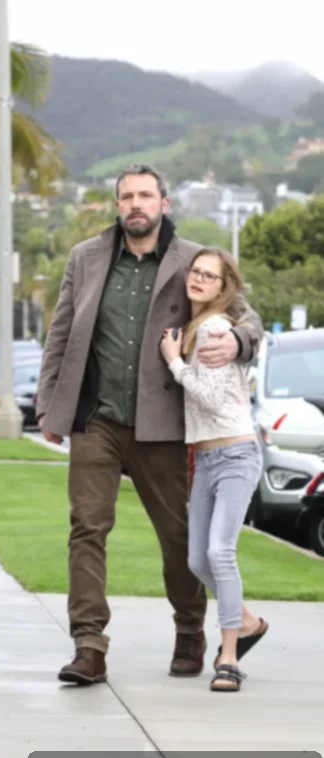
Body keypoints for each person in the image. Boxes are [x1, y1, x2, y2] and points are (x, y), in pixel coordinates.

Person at [35, 164, 263, 686]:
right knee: (87, 529)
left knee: (178, 534)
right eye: (126, 196)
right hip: (97, 419)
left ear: (164, 202)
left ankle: (189, 631)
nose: (135, 204)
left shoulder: (194, 261)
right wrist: (49, 404)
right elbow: (61, 332)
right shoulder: (86, 258)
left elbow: (247, 318)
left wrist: (240, 341)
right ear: (117, 205)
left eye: (145, 195)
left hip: (165, 423)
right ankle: (88, 645)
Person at [160, 248, 267, 692]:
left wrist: (172, 360)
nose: (199, 279)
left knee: (220, 553)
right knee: (196, 559)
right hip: (206, 457)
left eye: (210, 276)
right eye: (196, 272)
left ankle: (228, 658)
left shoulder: (216, 329)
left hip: (237, 454)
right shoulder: (196, 327)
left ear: (224, 288)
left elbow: (210, 398)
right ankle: (246, 622)